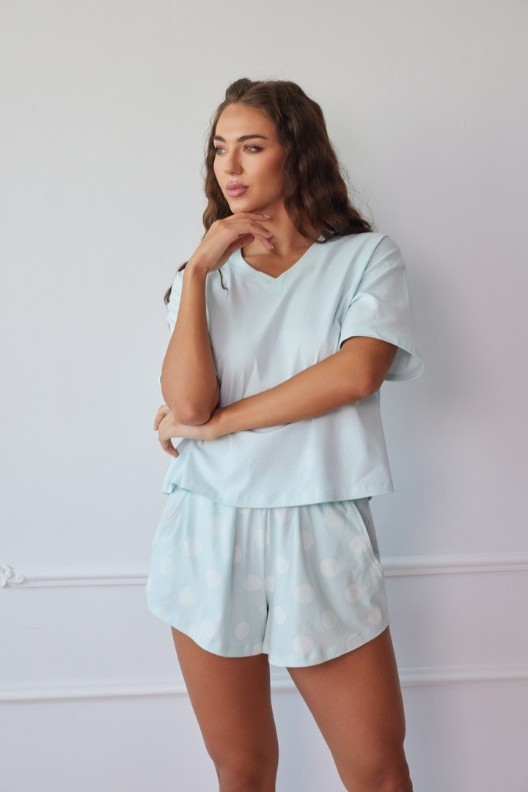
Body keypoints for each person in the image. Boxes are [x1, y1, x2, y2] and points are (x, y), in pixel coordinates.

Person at [146, 78, 423, 792]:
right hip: (210, 524)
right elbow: (187, 401)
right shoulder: (204, 277)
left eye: (251, 147)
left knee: (378, 771)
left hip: (318, 522)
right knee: (241, 769)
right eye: (219, 149)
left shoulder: (365, 258)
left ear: (296, 154)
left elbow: (355, 374)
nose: (229, 166)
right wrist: (199, 271)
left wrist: (214, 427)